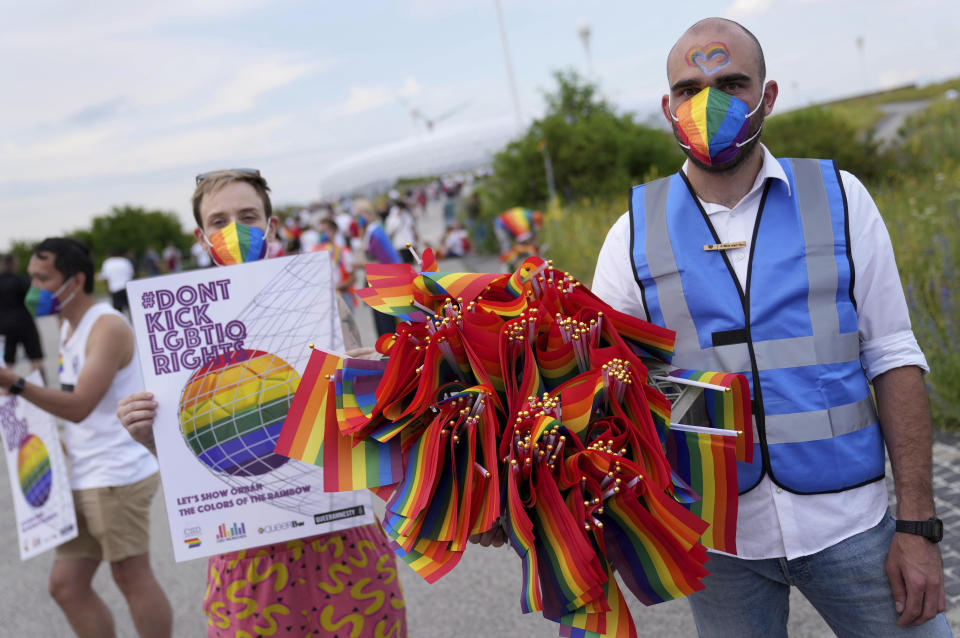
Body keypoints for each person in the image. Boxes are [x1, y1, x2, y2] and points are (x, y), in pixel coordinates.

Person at [591, 18, 949, 637]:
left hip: (854, 526)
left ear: (768, 94)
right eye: (689, 88)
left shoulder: (840, 197)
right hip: (721, 545)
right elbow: (603, 391)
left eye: (731, 83)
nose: (709, 103)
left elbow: (893, 356)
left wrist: (918, 529)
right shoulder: (630, 234)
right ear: (667, 107)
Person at [116, 169, 406, 638]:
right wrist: (151, 437)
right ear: (201, 236)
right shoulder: (171, 325)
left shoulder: (323, 305)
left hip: (340, 542)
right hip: (247, 558)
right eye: (219, 220)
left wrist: (373, 379)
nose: (234, 230)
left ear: (271, 227)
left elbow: (366, 434)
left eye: (248, 216)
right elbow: (192, 457)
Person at [0, 238, 171, 638]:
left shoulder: (106, 325)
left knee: (131, 576)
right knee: (66, 586)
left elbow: (80, 405)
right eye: (32, 277)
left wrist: (16, 383)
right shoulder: (68, 324)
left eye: (44, 278)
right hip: (83, 469)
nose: (33, 287)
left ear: (75, 280)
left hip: (116, 472)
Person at [355, 198, 405, 337]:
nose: (358, 218)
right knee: (382, 323)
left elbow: (383, 261)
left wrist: (357, 265)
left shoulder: (375, 232)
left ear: (367, 213)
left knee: (386, 326)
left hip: (384, 283)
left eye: (360, 214)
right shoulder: (372, 231)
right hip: (379, 281)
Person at [0, 253, 44, 376]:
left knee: (7, 362)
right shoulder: (22, 280)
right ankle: (39, 386)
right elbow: (35, 300)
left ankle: (6, 390)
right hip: (25, 323)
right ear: (15, 265)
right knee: (35, 359)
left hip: (4, 326)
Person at [99, 249, 135, 313]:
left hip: (115, 289)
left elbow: (105, 278)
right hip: (127, 287)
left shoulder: (107, 263)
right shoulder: (125, 261)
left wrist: (107, 289)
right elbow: (132, 273)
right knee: (131, 310)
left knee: (118, 311)